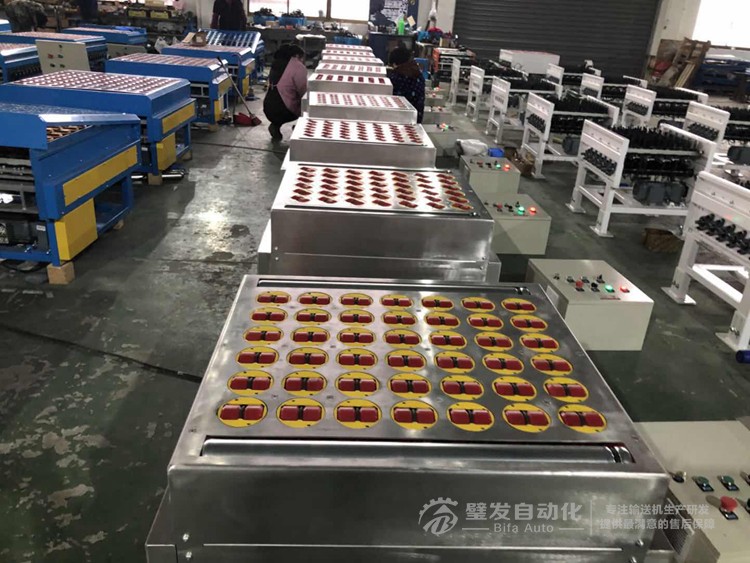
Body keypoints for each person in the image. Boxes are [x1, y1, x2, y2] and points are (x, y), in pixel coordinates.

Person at [263, 44, 307, 141]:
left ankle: (275, 125)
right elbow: (303, 91)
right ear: (297, 55)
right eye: (302, 58)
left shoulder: (277, 63)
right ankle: (300, 127)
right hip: (284, 110)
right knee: (308, 103)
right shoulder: (298, 66)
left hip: (268, 107)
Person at [387, 47, 426, 123]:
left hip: (399, 119)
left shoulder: (396, 77)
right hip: (416, 117)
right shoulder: (418, 74)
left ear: (395, 64)